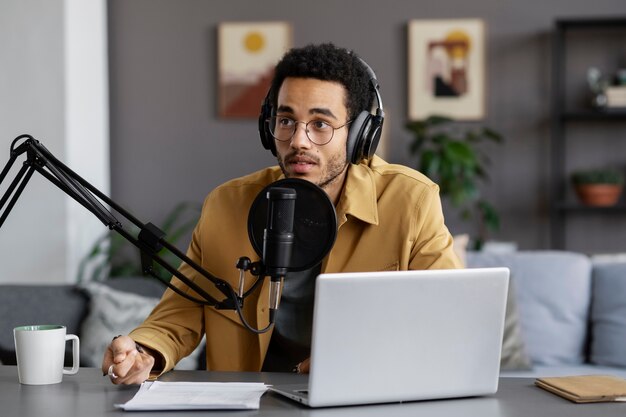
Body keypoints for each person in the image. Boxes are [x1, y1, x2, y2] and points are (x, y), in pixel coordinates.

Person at [102, 43, 462, 384]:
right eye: (286, 120)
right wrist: (145, 351)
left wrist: (360, 358)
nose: (299, 140)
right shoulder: (226, 205)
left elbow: (449, 321)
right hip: (249, 402)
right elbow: (180, 311)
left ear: (357, 135)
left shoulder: (410, 201)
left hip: (360, 400)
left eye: (321, 124)